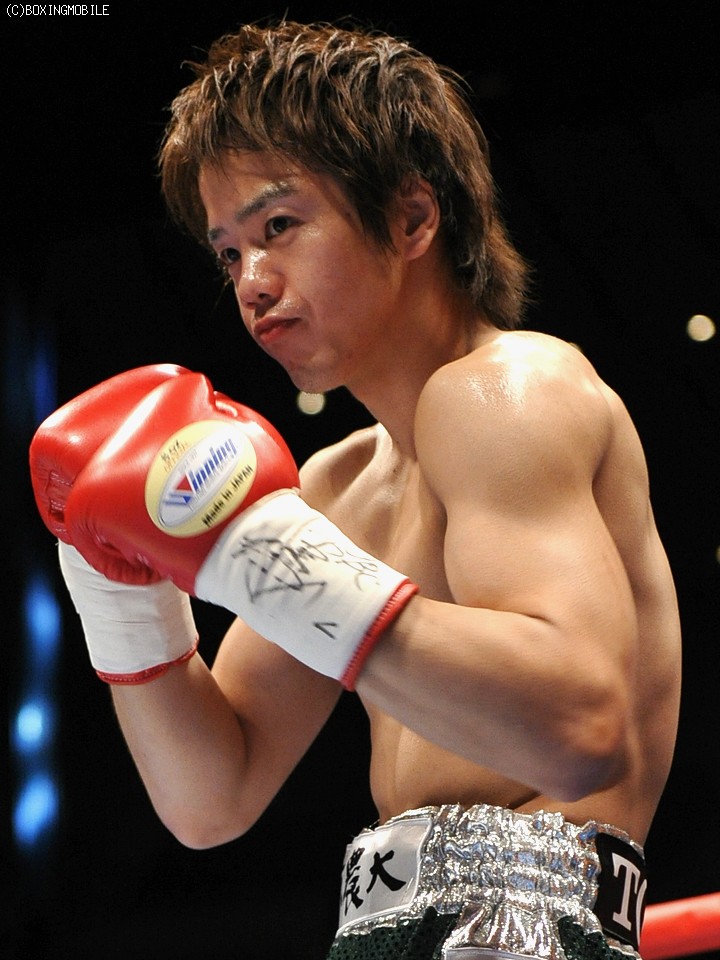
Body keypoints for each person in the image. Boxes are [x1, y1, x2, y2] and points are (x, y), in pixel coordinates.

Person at [29, 21, 681, 960]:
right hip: (379, 931)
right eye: (228, 254)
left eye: (279, 227)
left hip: (527, 932)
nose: (252, 283)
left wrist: (273, 567)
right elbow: (210, 797)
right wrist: (122, 592)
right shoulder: (339, 486)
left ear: (412, 218)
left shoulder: (512, 391)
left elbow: (579, 731)